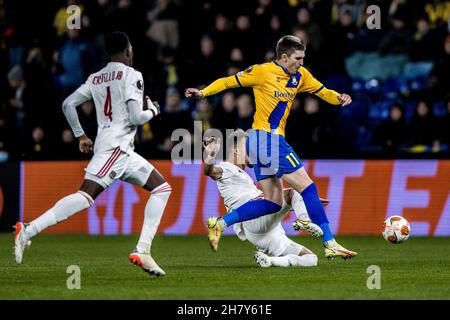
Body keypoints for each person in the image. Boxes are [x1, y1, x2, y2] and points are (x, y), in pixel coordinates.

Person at [14, 32, 171, 277]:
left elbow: (67, 104)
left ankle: (143, 250)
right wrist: (152, 110)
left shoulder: (96, 78)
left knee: (162, 188)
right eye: (131, 50)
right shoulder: (133, 75)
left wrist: (80, 135)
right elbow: (135, 117)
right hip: (115, 149)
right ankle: (28, 229)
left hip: (120, 150)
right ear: (128, 51)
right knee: (85, 197)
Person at [186, 35, 356, 259]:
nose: (301, 63)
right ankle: (329, 242)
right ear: (284, 57)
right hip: (267, 140)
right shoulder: (262, 71)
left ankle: (220, 222)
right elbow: (228, 81)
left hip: (257, 144)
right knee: (307, 188)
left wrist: (339, 98)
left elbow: (322, 91)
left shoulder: (301, 76)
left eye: (303, 58)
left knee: (273, 202)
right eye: (298, 58)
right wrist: (204, 93)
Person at [203, 130, 323, 267]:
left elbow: (271, 204)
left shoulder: (244, 175)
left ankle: (270, 261)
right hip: (253, 222)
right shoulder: (226, 168)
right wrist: (210, 154)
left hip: (265, 232)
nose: (252, 149)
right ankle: (304, 220)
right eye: (247, 145)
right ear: (236, 151)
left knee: (311, 259)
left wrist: (304, 203)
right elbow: (209, 171)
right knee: (292, 192)